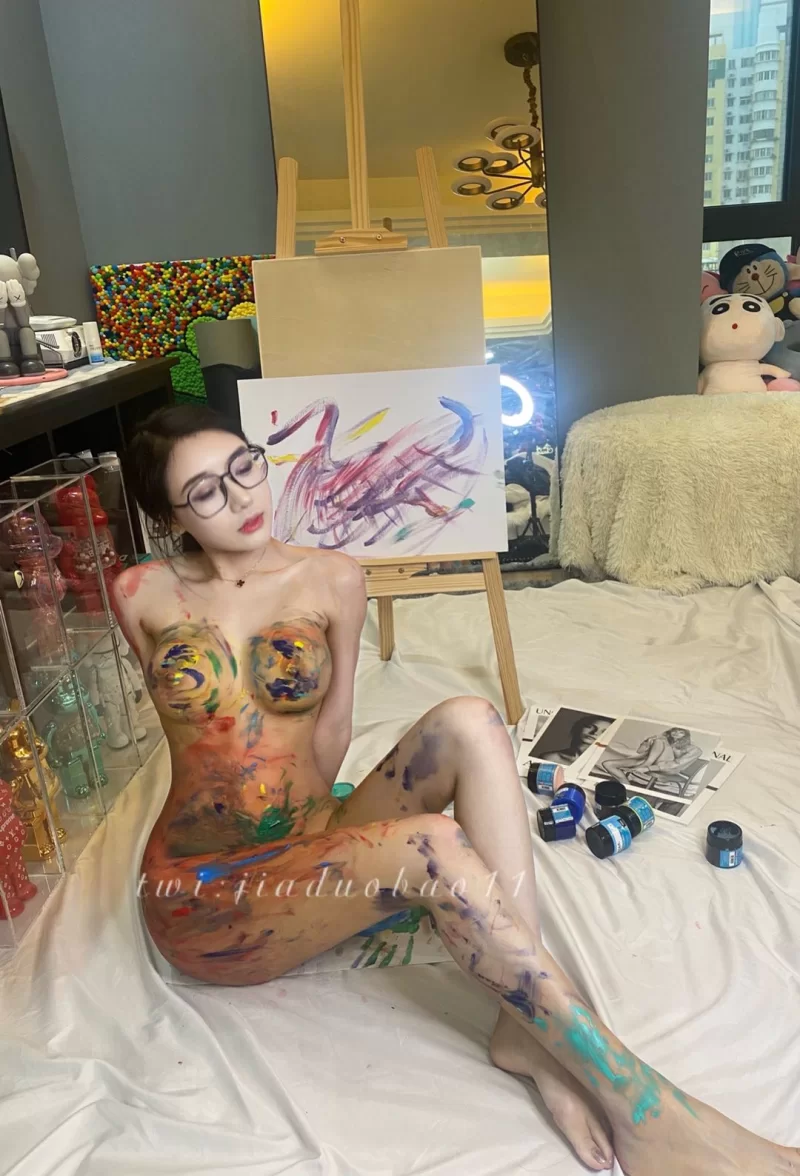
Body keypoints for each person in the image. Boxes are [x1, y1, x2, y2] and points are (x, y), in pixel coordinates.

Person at [114, 405, 797, 1176]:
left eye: (244, 465)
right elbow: (193, 739)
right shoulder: (140, 592)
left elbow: (331, 733)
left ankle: (521, 1029)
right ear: (168, 516)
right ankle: (647, 1109)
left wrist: (342, 840)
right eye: (205, 492)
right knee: (433, 847)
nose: (241, 496)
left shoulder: (331, 577)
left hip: (307, 831)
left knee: (472, 721)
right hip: (207, 894)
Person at [599, 728, 703, 796]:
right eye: (674, 731)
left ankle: (646, 764)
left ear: (686, 735)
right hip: (646, 761)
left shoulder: (695, 750)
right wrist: (648, 741)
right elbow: (640, 751)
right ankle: (628, 788)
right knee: (608, 764)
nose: (676, 733)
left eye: (681, 732)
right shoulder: (663, 740)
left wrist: (648, 768)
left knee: (660, 741)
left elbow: (675, 764)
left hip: (665, 768)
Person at [537, 714, 612, 767]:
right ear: (578, 727)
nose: (594, 733)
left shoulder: (607, 765)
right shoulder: (550, 757)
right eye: (590, 727)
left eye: (604, 732)